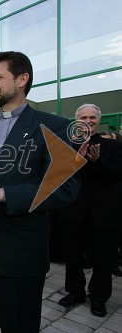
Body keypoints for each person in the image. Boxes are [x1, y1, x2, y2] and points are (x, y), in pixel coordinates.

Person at [0, 51, 80, 332]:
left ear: (22, 79)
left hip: (21, 258)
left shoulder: (56, 127)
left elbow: (66, 188)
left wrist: (6, 194)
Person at [58, 104, 122, 317]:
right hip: (74, 211)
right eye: (83, 117)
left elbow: (115, 175)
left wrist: (97, 161)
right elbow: (61, 175)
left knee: (103, 259)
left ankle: (98, 298)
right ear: (77, 121)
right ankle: (75, 292)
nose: (88, 120)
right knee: (73, 257)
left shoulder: (113, 147)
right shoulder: (67, 145)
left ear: (98, 120)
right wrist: (78, 159)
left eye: (92, 117)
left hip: (103, 213)